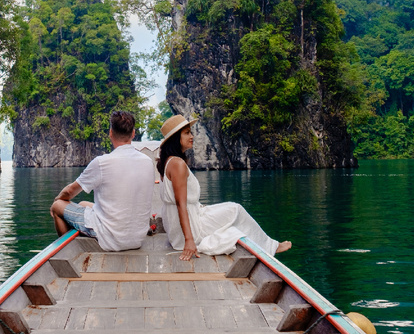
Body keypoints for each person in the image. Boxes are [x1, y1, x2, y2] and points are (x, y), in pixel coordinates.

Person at [156, 114, 292, 261]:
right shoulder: (178, 164)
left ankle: (268, 245)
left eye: (191, 132)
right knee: (236, 209)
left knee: (229, 209)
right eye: (187, 132)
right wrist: (189, 240)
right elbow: (180, 204)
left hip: (177, 228)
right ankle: (271, 247)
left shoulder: (168, 161)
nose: (192, 136)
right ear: (176, 138)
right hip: (188, 231)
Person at [50, 110, 158, 251]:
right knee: (83, 203)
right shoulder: (147, 162)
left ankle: (70, 251)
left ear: (110, 133)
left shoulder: (102, 162)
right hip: (137, 238)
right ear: (133, 133)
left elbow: (70, 191)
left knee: (58, 206)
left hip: (112, 239)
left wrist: (58, 200)